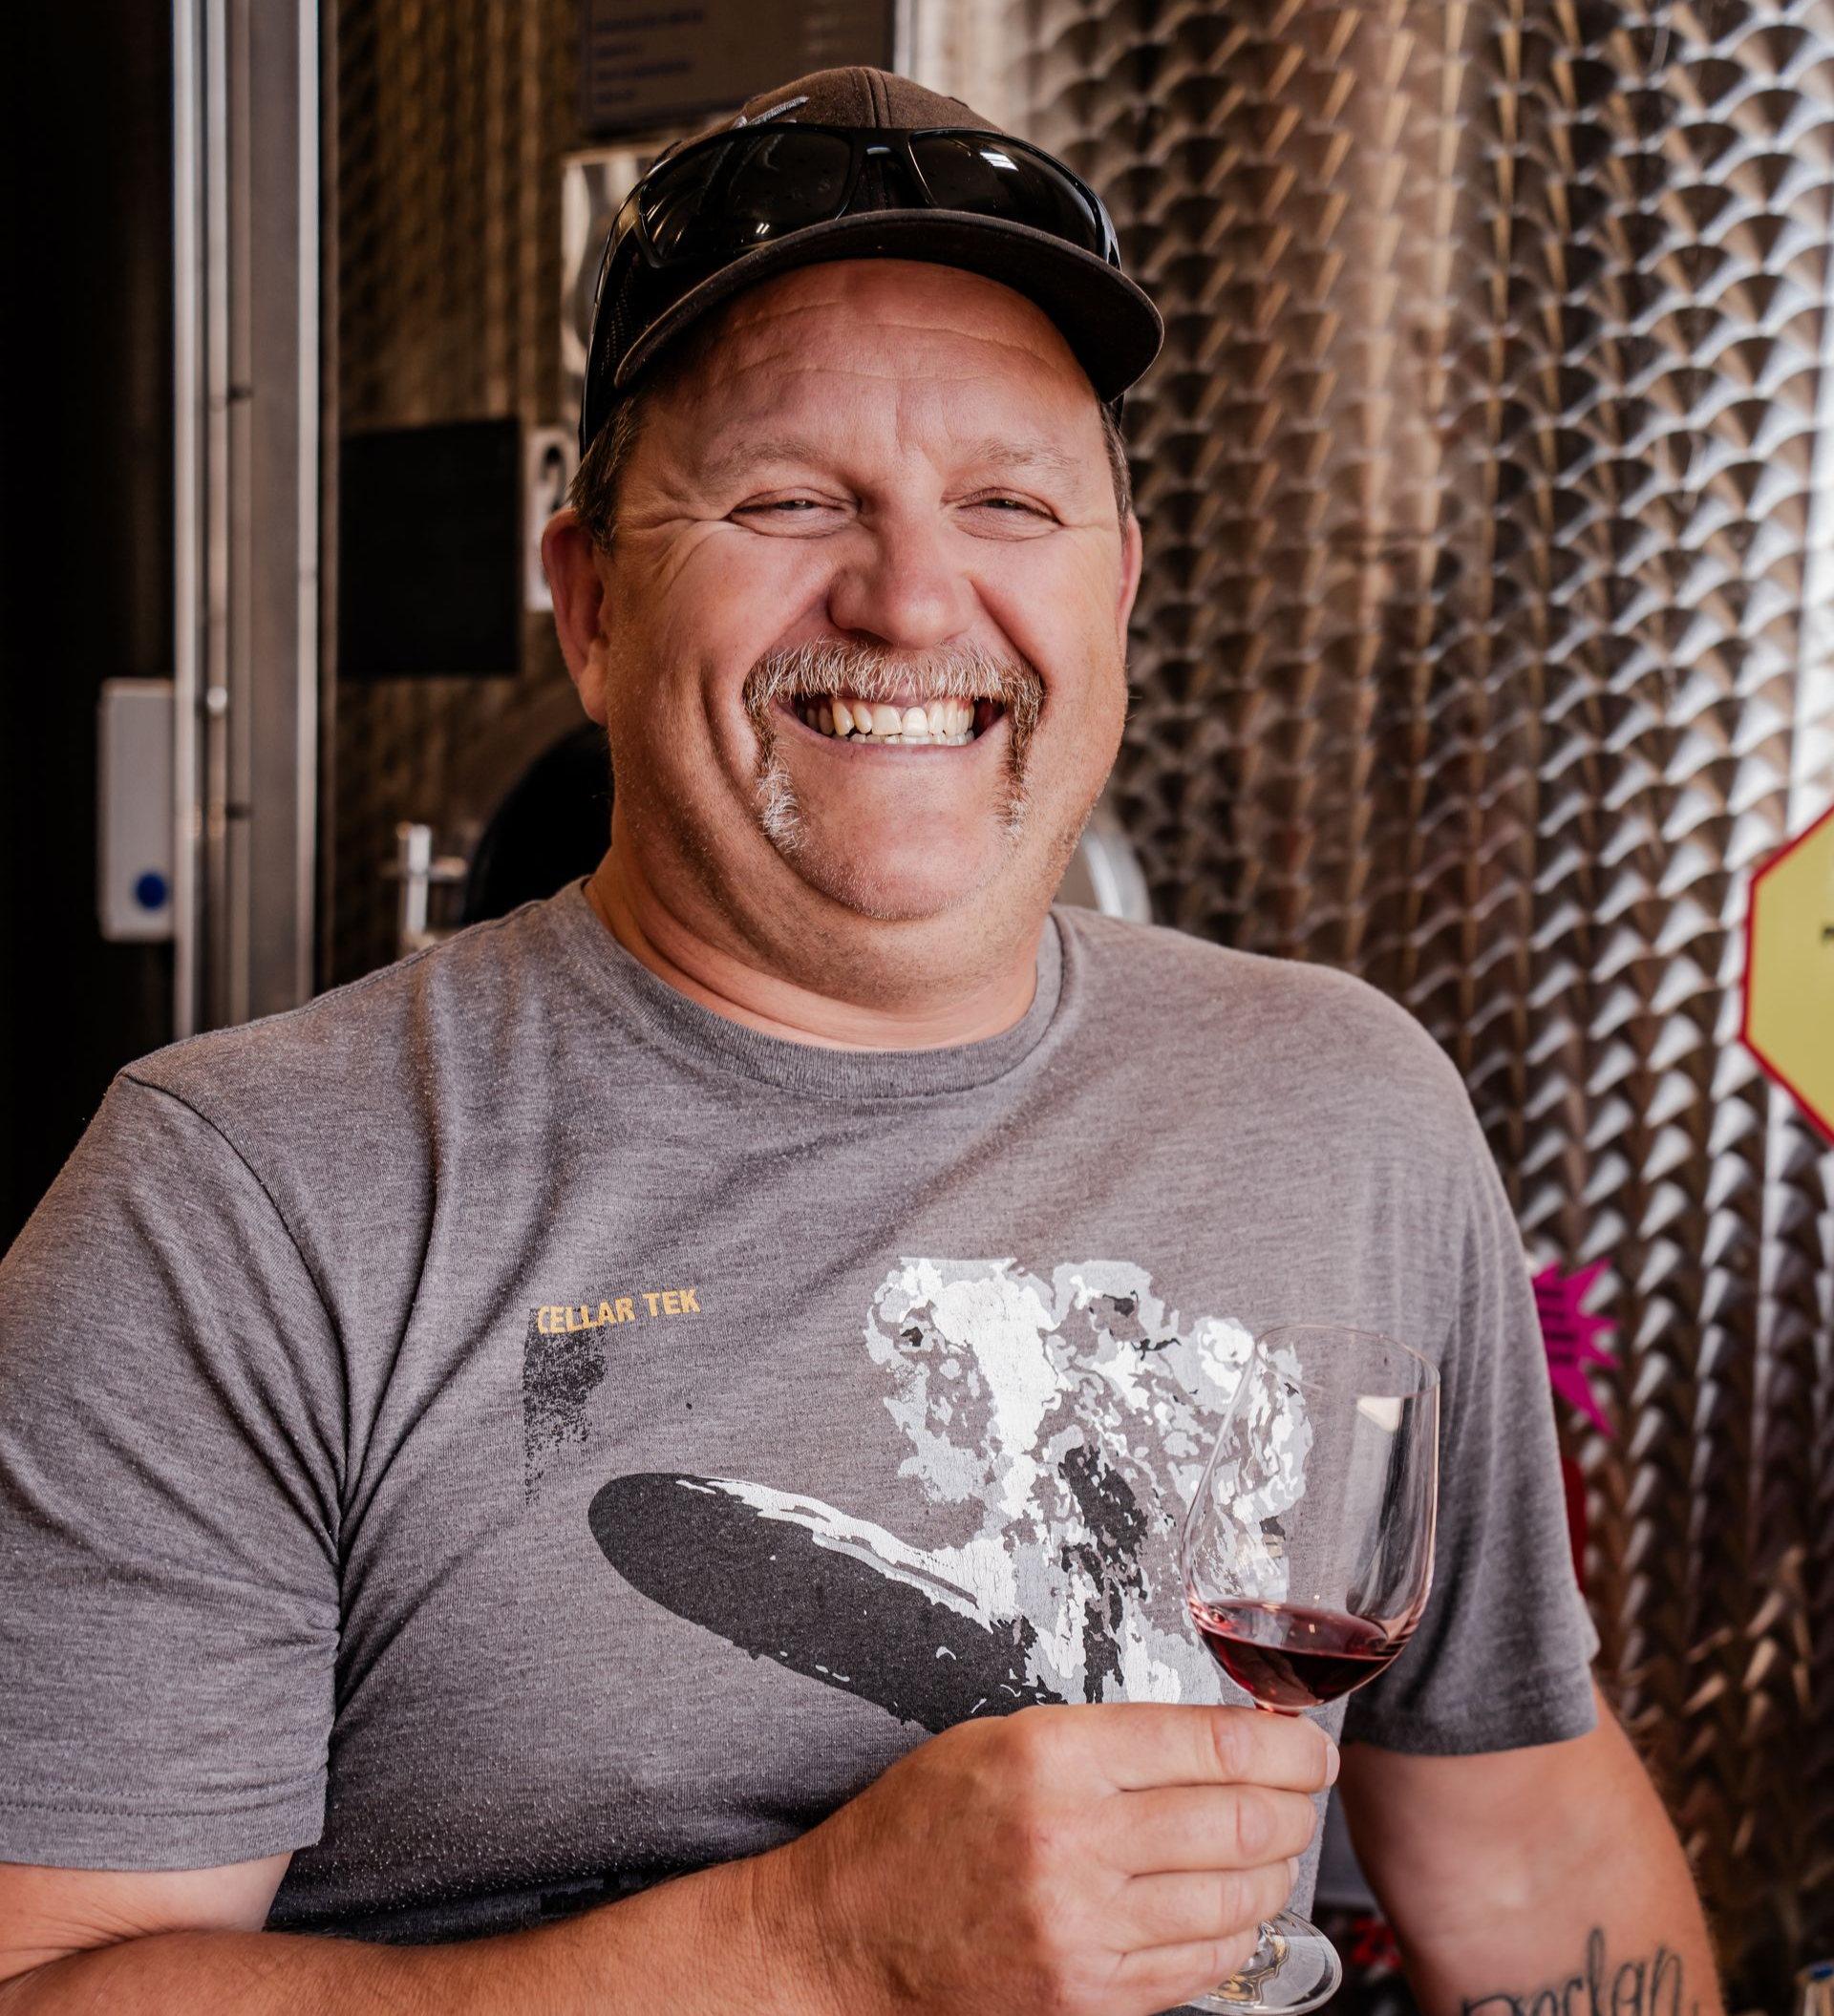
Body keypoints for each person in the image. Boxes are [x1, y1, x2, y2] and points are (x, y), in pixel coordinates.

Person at [0, 65, 1717, 2016]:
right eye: (790, 498)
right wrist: (816, 1946)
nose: (912, 596)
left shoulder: (1347, 1102)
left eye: (1009, 500)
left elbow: (1521, 1828)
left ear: (1122, 586)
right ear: (588, 602)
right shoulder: (243, 1196)